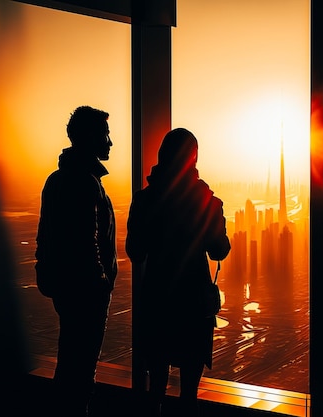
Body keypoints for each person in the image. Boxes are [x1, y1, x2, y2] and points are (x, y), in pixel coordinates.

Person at [126, 128, 231, 416]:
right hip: (192, 303)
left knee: (155, 389)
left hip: (157, 299)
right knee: (188, 396)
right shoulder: (203, 199)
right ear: (193, 158)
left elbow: (136, 252)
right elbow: (218, 250)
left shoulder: (145, 199)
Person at [35, 105, 117, 416]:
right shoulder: (86, 182)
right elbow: (87, 240)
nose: (110, 142)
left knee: (70, 362)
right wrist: (100, 283)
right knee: (81, 371)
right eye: (105, 135)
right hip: (85, 292)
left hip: (66, 287)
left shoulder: (57, 179)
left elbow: (46, 235)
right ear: (91, 138)